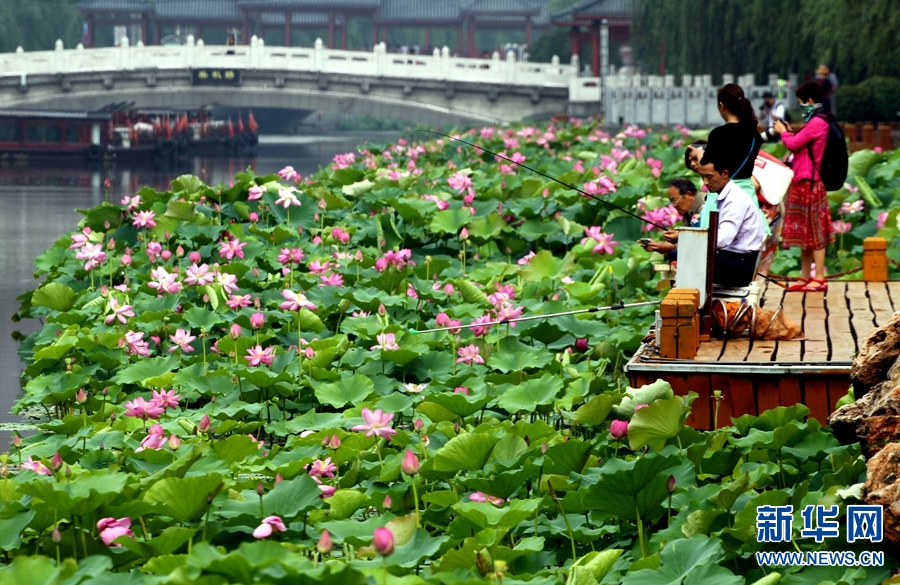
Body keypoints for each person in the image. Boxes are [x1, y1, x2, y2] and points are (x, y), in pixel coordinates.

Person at [771, 81, 833, 292]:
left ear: (808, 101)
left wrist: (782, 131)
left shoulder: (819, 122)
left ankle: (820, 277)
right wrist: (789, 131)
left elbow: (793, 144)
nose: (800, 107)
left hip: (811, 182)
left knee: (815, 230)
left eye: (801, 103)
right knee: (805, 232)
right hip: (801, 180)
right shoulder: (815, 121)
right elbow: (800, 140)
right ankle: (805, 276)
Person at [699, 84, 764, 229]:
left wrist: (699, 155)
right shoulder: (754, 135)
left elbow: (709, 166)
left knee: (716, 243)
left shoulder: (718, 134)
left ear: (722, 106)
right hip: (747, 194)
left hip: (722, 193)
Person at [696, 160, 767, 287]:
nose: (705, 182)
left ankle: (696, 301)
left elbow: (722, 239)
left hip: (741, 265)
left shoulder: (734, 200)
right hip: (732, 259)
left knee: (681, 255)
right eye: (703, 177)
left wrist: (684, 239)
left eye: (709, 176)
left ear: (724, 173)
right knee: (679, 253)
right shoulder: (727, 195)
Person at [641, 178, 706, 257]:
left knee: (675, 254)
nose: (674, 206)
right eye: (671, 202)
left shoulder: (705, 205)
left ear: (689, 195)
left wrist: (670, 246)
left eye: (675, 200)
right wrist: (659, 246)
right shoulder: (687, 212)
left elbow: (702, 240)